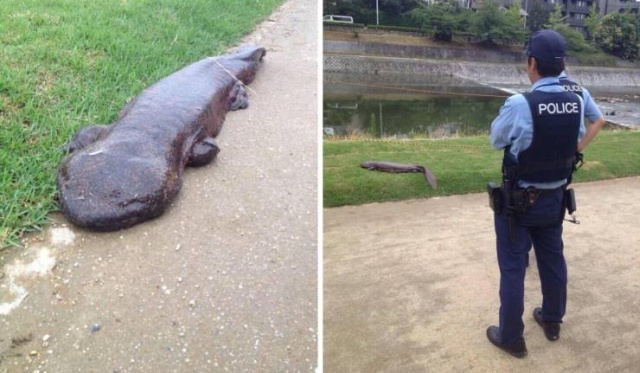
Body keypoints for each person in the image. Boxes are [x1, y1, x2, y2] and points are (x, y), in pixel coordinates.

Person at [486, 29, 586, 358]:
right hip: (555, 199)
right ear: (563, 64)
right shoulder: (576, 101)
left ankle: (512, 337)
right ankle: (552, 319)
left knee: (514, 269)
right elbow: (575, 141)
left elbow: (497, 140)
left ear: (532, 63)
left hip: (518, 205)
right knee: (553, 260)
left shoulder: (520, 103)